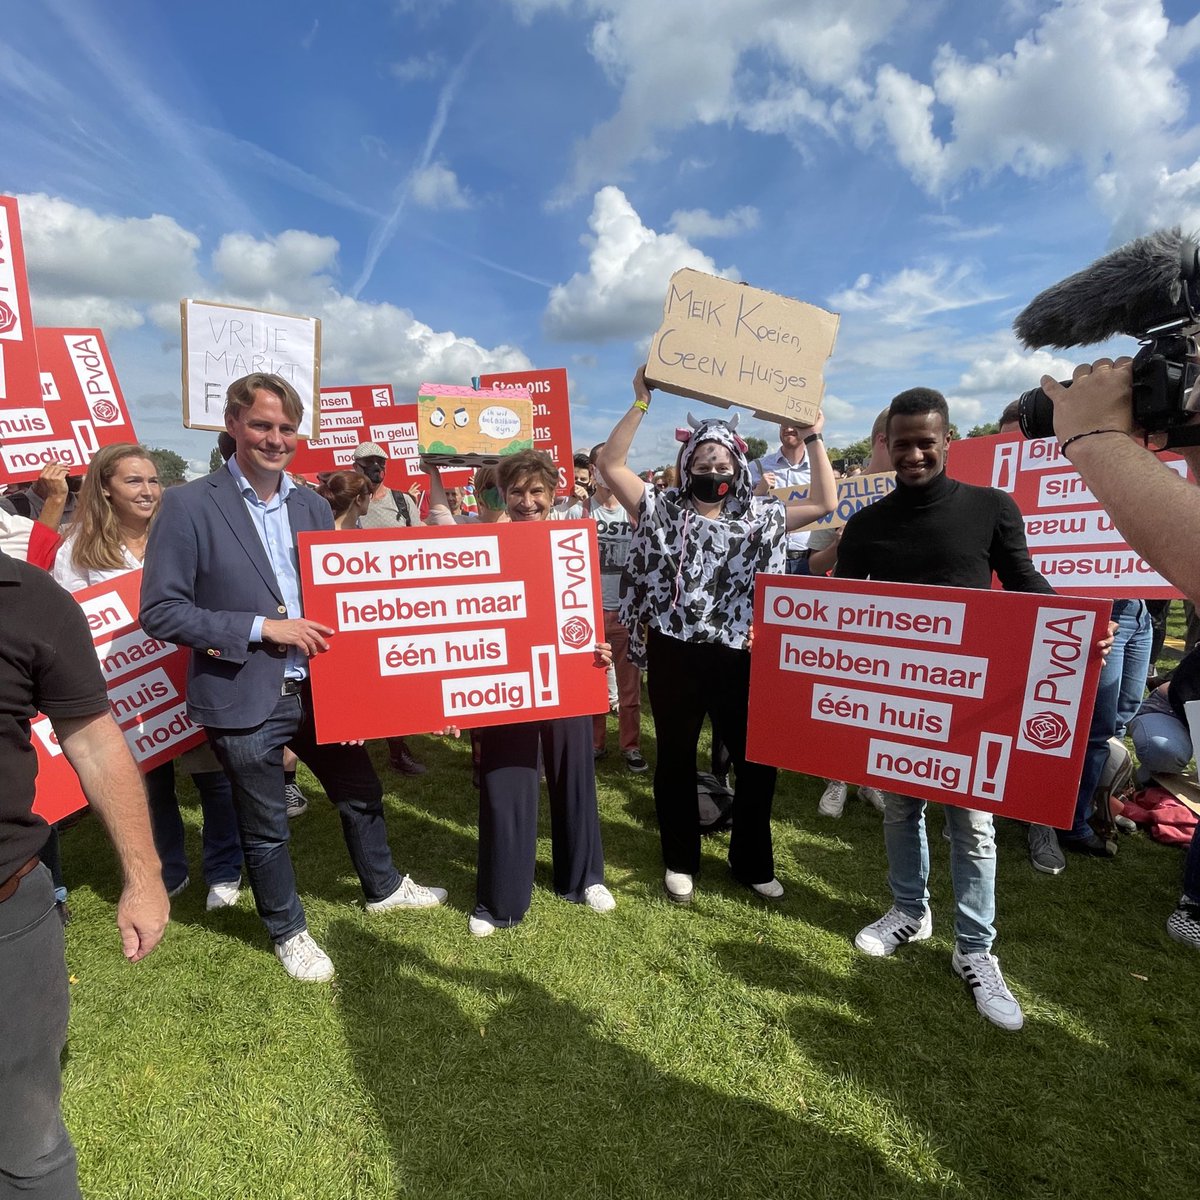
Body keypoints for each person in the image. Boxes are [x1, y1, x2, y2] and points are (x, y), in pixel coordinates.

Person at [140, 373, 446, 981]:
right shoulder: (188, 504)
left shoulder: (310, 502)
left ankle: (382, 886)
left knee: (360, 792)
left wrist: (361, 694)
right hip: (242, 690)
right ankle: (288, 930)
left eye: (285, 428)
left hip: (322, 688)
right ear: (233, 424)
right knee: (266, 826)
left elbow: (337, 598)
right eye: (261, 425)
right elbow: (161, 611)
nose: (275, 439)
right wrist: (261, 628)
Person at [836, 387, 1083, 1031]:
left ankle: (975, 950)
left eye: (927, 441)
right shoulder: (865, 526)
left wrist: (1076, 628)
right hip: (896, 695)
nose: (914, 452)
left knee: (971, 826)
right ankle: (908, 912)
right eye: (902, 441)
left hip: (970, 700)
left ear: (947, 441)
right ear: (885, 444)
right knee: (899, 809)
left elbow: (1026, 582)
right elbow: (837, 609)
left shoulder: (991, 508)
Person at [597, 367, 836, 905]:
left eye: (723, 463)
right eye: (703, 463)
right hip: (675, 653)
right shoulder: (658, 509)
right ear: (687, 466)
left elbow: (823, 502)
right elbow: (610, 464)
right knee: (676, 759)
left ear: (740, 467)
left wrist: (815, 433)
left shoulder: (761, 518)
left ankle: (751, 861)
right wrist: (640, 402)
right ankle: (680, 859)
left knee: (757, 760)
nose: (712, 470)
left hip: (737, 655)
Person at [1, 546, 168, 1197]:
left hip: (8, 914)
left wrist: (145, 877)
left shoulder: (31, 597)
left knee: (26, 1144)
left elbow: (94, 740)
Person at [1045, 355, 1200, 950]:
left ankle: (1088, 811)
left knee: (1117, 716)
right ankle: (1061, 821)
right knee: (1089, 723)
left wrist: (1097, 437)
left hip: (1139, 607)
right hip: (1096, 606)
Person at [427, 450, 616, 936]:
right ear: (501, 495)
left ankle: (583, 876)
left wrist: (598, 648)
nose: (527, 502)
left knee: (575, 771)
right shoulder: (484, 542)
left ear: (554, 494)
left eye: (537, 492)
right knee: (505, 779)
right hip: (506, 680)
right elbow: (463, 615)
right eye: (517, 492)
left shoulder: (573, 541)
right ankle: (499, 898)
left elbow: (585, 606)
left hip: (568, 673)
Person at [52, 444, 244, 911]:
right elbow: (71, 622)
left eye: (154, 480)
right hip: (129, 686)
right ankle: (167, 867)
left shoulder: (181, 533)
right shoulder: (76, 553)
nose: (148, 490)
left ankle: (224, 866)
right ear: (105, 489)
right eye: (134, 481)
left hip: (190, 669)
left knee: (214, 775)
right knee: (148, 785)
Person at [809, 406, 891, 819]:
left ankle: (871, 779)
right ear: (882, 440)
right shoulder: (842, 496)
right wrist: (841, 545)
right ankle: (837, 777)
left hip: (896, 619)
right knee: (842, 702)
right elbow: (811, 564)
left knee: (884, 702)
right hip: (847, 617)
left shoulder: (915, 499)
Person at [349, 441, 426, 775]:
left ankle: (397, 748)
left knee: (396, 678)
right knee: (360, 679)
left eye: (380, 461)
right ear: (356, 466)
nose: (375, 468)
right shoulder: (346, 499)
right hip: (359, 604)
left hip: (401, 602)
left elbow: (420, 540)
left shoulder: (402, 501)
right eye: (368, 462)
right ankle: (353, 746)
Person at [588, 442, 646, 773]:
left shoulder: (635, 513)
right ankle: (595, 743)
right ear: (594, 470)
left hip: (626, 613)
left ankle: (631, 745)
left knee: (629, 686)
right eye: (602, 465)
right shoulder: (577, 511)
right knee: (593, 683)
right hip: (589, 613)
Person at [750, 418, 815, 574]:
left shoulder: (818, 471)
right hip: (766, 558)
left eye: (795, 424)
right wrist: (758, 492)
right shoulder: (757, 467)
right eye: (783, 423)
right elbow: (736, 510)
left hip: (807, 561)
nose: (788, 428)